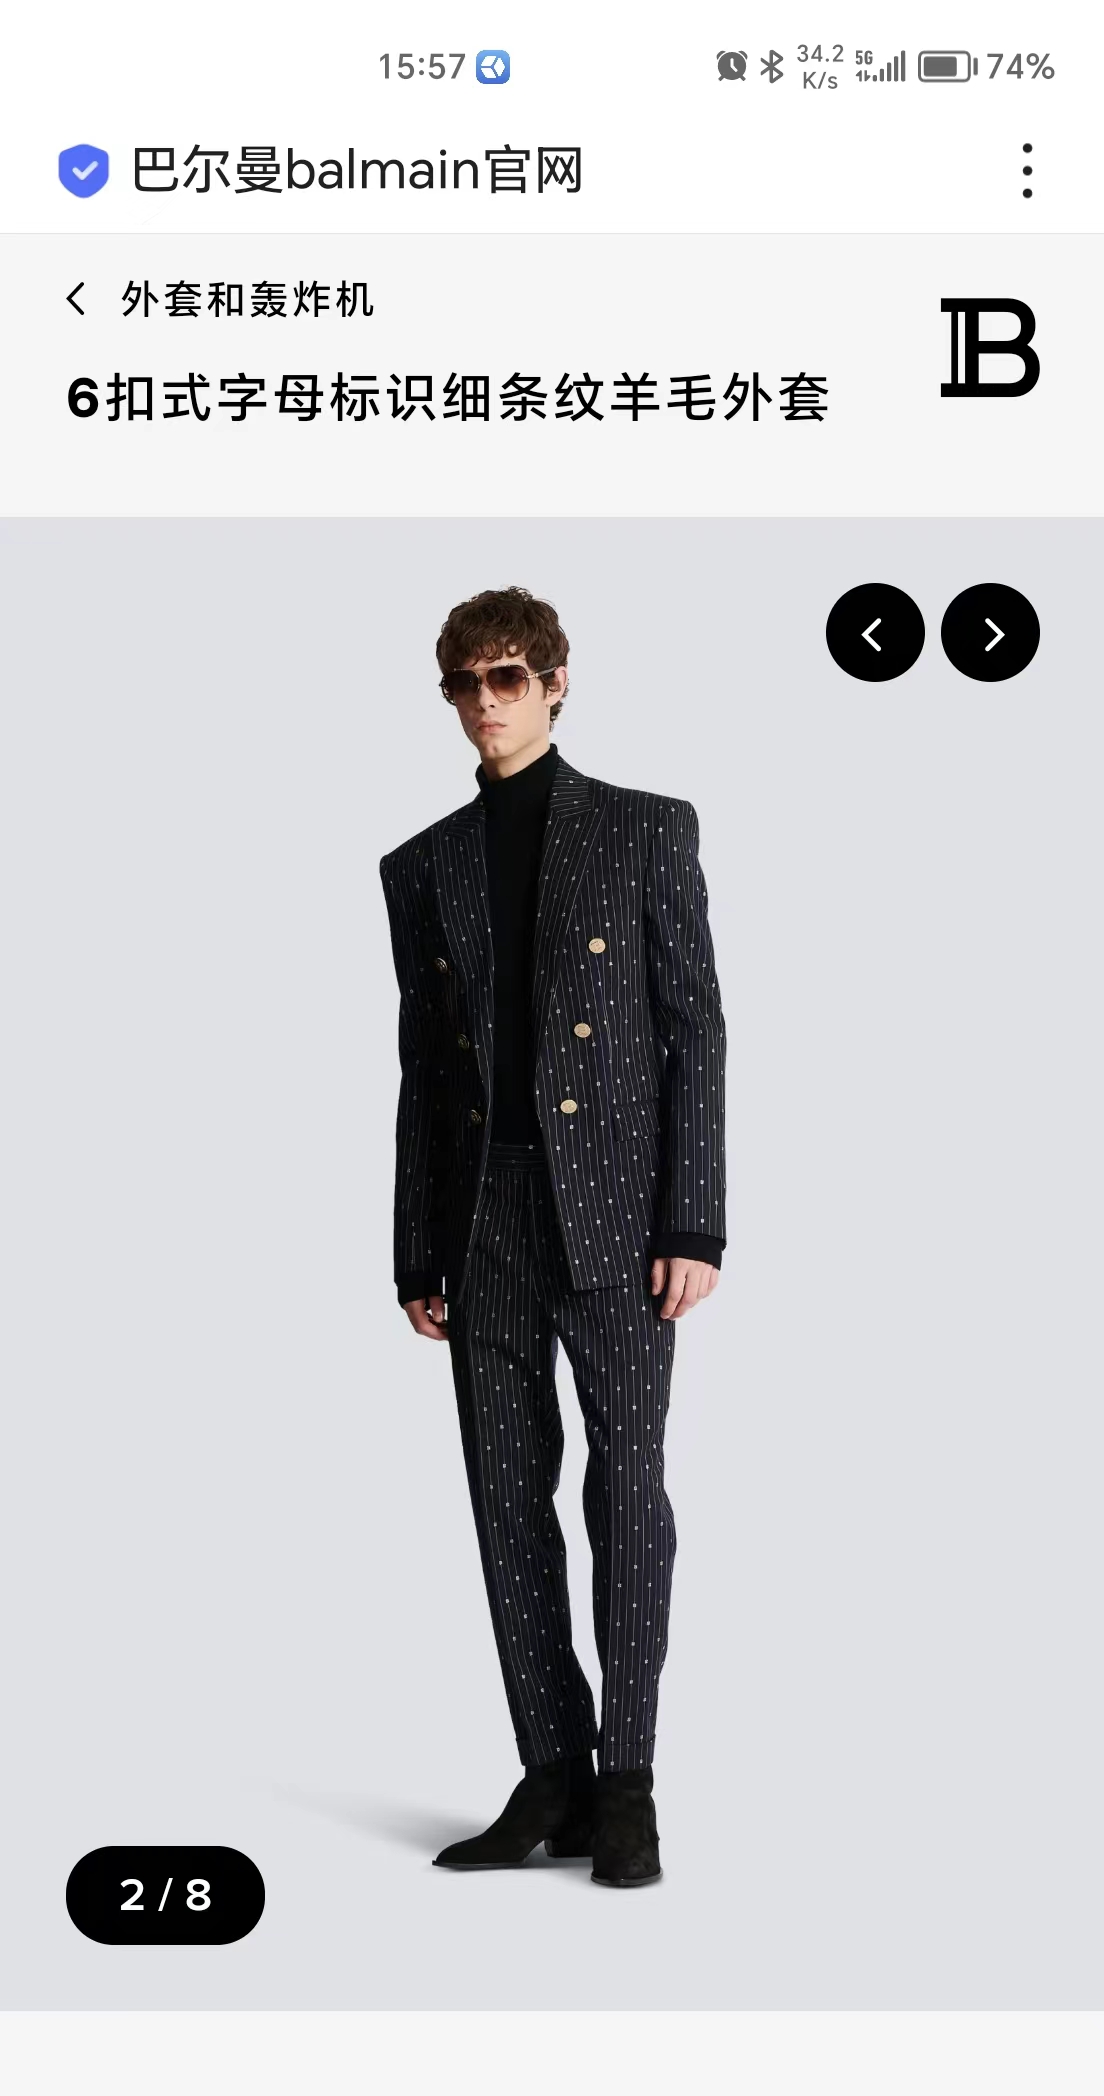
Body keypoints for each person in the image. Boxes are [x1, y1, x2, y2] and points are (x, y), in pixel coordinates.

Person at [379, 587, 727, 1886]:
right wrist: (417, 1248)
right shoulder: (422, 866)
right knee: (504, 1497)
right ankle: (552, 1773)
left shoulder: (644, 829)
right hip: (485, 1222)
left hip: (621, 1218)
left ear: (558, 682)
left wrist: (694, 1220)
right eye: (466, 683)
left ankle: (627, 1783)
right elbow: (423, 1070)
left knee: (626, 1488)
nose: (487, 702)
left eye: (510, 677)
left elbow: (695, 1029)